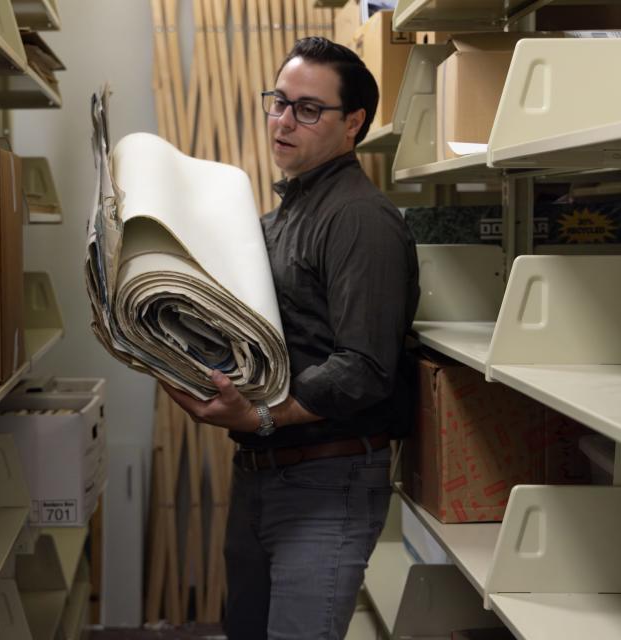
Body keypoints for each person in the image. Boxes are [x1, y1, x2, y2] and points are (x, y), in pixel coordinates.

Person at [161, 36, 420, 640]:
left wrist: (262, 416)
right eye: (279, 101)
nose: (283, 120)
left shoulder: (357, 218)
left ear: (353, 123)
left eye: (308, 109)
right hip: (262, 472)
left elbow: (361, 368)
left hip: (327, 481)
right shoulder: (282, 217)